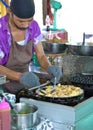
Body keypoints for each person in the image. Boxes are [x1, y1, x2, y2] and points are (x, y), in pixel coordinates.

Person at [0, 0, 62, 87]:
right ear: (9, 12)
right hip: (3, 86)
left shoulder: (33, 26)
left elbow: (40, 56)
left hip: (26, 85)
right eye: (20, 21)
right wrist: (20, 77)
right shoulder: (1, 31)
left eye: (29, 20)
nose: (26, 25)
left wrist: (49, 67)